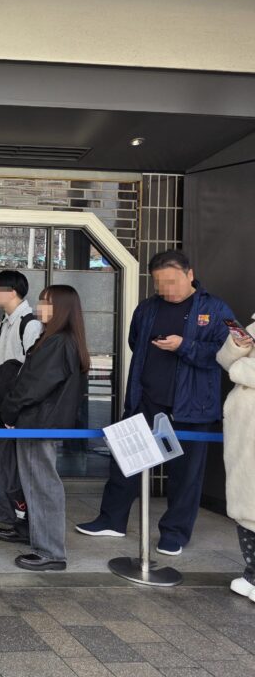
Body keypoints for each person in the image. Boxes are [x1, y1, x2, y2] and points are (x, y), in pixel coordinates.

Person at [76, 250, 237, 556]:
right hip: (147, 398)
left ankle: (174, 534)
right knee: (125, 462)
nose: (167, 289)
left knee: (185, 474)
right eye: (160, 283)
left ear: (190, 275)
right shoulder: (147, 308)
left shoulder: (215, 308)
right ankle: (111, 520)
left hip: (192, 406)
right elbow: (135, 341)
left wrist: (184, 346)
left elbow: (227, 353)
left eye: (172, 282)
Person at [0, 285, 89, 571]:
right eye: (41, 301)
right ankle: (42, 544)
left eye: (47, 303)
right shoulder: (61, 339)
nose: (40, 307)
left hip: (38, 423)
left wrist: (10, 410)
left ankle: (50, 552)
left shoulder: (58, 342)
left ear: (62, 309)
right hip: (40, 423)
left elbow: (32, 386)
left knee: (42, 484)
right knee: (37, 483)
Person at [0, 270, 43, 543]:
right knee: (10, 468)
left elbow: (32, 371)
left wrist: (16, 408)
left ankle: (30, 527)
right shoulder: (6, 322)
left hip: (18, 408)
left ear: (12, 292)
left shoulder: (29, 324)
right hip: (4, 405)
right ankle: (18, 521)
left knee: (22, 468)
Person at [215, 314, 255, 601]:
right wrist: (238, 346)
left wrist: (241, 367)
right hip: (244, 431)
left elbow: (238, 370)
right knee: (244, 505)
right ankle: (251, 573)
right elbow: (225, 360)